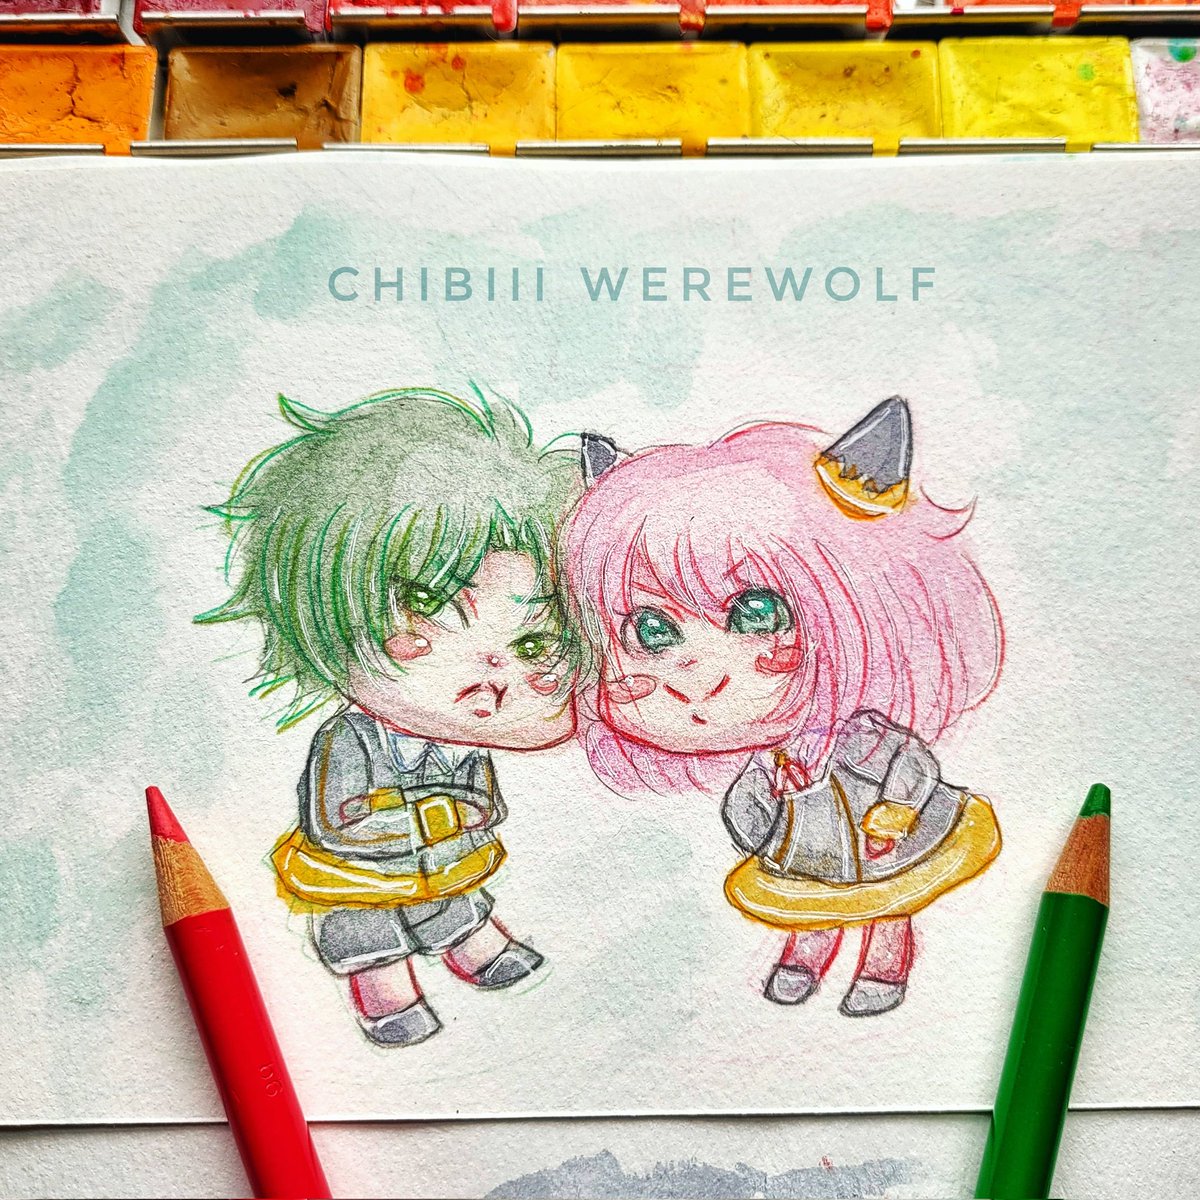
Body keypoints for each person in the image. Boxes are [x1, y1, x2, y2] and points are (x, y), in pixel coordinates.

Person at [564, 398, 1003, 1017]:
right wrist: (759, 833)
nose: (697, 676)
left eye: (758, 614)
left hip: (887, 844)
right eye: (653, 631)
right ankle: (803, 961)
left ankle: (884, 969)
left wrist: (898, 811)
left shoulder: (862, 738)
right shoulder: (766, 761)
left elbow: (913, 767)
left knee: (888, 910)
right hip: (807, 853)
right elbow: (745, 805)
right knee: (809, 910)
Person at [198, 386, 581, 1046]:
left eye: (530, 644)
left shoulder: (464, 745)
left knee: (455, 899)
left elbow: (483, 801)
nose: (488, 675)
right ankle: (387, 995)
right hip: (360, 871)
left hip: (442, 862)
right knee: (369, 927)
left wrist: (468, 815)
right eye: (425, 616)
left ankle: (474, 946)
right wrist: (428, 818)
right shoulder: (348, 738)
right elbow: (336, 820)